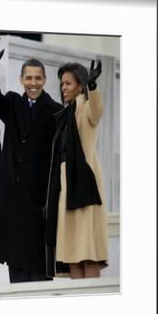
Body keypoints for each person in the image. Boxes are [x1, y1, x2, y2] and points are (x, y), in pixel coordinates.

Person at [0, 36, 63, 283]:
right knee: (18, 274)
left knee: (39, 273)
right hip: (12, 202)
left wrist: (51, 198)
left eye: (37, 78)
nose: (33, 83)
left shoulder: (56, 111)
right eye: (28, 78)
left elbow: (59, 161)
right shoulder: (12, 102)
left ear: (44, 80)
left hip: (38, 204)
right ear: (21, 80)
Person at [44, 60, 108, 279]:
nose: (63, 88)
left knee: (88, 251)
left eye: (68, 83)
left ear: (80, 85)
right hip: (65, 187)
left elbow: (97, 111)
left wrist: (93, 88)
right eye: (62, 84)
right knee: (72, 251)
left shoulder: (84, 107)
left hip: (84, 186)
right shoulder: (65, 113)